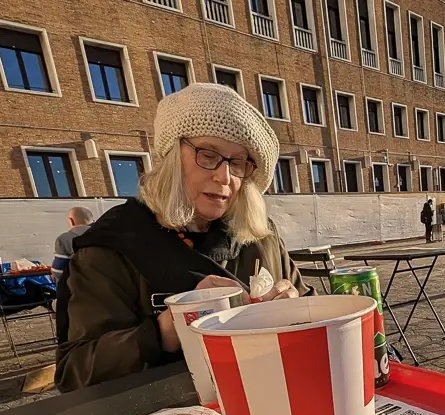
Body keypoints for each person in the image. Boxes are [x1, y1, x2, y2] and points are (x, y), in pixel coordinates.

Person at [55, 83, 308, 392]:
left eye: (238, 162)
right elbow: (76, 372)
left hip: (273, 400)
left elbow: (310, 310)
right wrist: (170, 327)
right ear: (172, 158)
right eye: (208, 155)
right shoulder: (110, 247)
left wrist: (297, 310)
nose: (224, 176)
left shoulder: (260, 236)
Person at [50, 206, 94, 283]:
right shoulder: (106, 234)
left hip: (82, 288)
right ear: (94, 221)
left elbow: (58, 271)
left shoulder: (65, 239)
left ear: (71, 221)